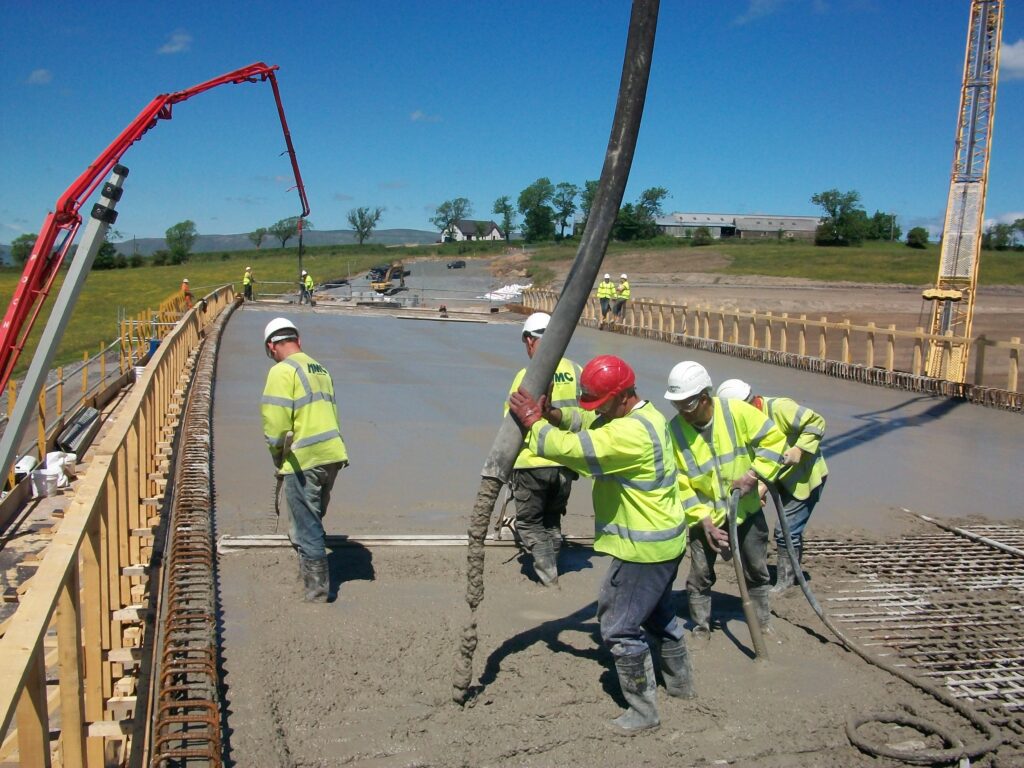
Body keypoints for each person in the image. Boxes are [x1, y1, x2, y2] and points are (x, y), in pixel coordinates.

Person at [509, 355, 693, 733]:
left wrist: (534, 425)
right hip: (665, 542)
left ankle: (644, 712)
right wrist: (556, 415)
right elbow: (589, 421)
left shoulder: (631, 435)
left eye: (600, 401)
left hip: (643, 549)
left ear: (623, 395)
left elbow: (575, 450)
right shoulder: (643, 416)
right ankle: (680, 685)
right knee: (659, 617)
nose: (595, 409)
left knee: (618, 626)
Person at [663, 361, 786, 648]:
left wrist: (754, 474)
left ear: (704, 398)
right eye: (677, 405)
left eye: (686, 405)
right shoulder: (675, 431)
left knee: (756, 569)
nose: (682, 412)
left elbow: (775, 440)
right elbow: (679, 481)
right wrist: (702, 519)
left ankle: (762, 622)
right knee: (701, 575)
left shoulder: (736, 412)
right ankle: (701, 627)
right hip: (704, 518)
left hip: (746, 511)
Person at [261, 317, 349, 603]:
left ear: (271, 346)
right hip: (332, 455)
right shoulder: (320, 368)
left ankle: (317, 592)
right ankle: (309, 577)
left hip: (304, 459)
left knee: (307, 525)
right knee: (311, 519)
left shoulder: (282, 371)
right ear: (298, 340)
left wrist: (278, 457)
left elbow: (275, 424)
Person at [716, 378, 828, 594]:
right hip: (779, 479)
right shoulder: (745, 424)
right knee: (787, 529)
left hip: (804, 479)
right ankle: (792, 571)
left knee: (787, 530)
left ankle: (787, 581)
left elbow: (817, 422)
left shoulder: (779, 408)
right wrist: (760, 488)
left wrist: (799, 450)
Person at [502, 312, 582, 587]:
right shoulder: (576, 370)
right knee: (551, 521)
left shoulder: (527, 376)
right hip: (565, 463)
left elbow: (511, 424)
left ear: (530, 340)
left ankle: (549, 577)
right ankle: (553, 560)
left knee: (529, 523)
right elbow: (588, 417)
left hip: (532, 464)